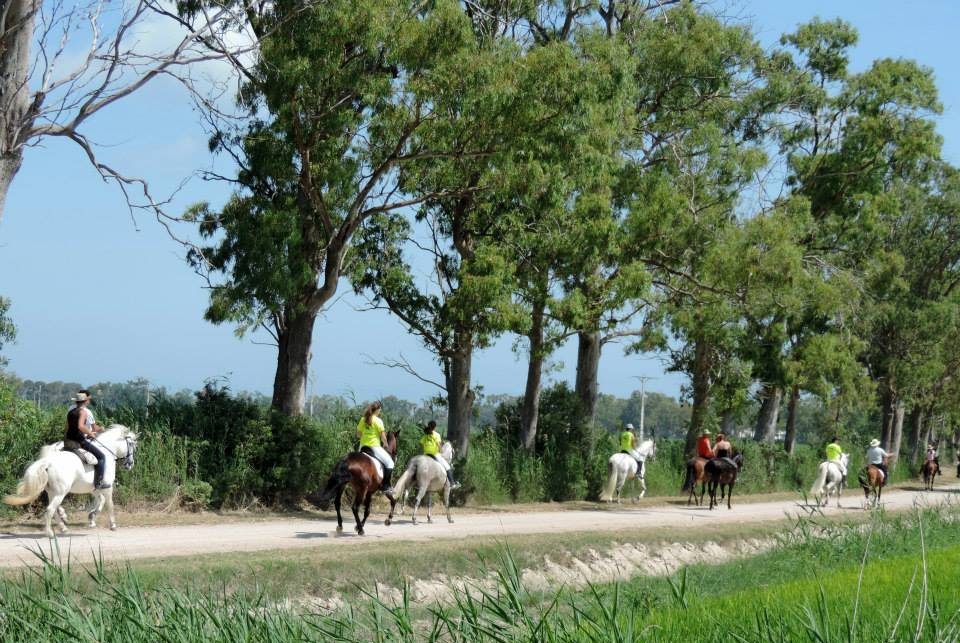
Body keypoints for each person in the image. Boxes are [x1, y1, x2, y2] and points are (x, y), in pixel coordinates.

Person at [65, 390, 110, 489]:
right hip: (79, 441)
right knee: (102, 457)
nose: (88, 401)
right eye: (87, 400)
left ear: (76, 401)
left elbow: (67, 428)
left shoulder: (70, 412)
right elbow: (81, 426)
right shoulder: (83, 412)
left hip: (68, 440)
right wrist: (90, 433)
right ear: (85, 401)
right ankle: (98, 483)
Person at [357, 401, 395, 498]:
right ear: (377, 410)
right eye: (380, 410)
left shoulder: (362, 419)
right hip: (374, 447)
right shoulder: (378, 421)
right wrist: (386, 444)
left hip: (362, 446)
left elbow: (358, 434)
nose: (380, 412)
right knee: (390, 463)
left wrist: (365, 437)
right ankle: (385, 486)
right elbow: (383, 436)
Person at [421, 420, 460, 489]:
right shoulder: (437, 435)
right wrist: (441, 450)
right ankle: (452, 483)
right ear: (435, 427)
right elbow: (439, 447)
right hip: (434, 454)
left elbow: (422, 444)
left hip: (425, 454)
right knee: (447, 466)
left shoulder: (425, 434)